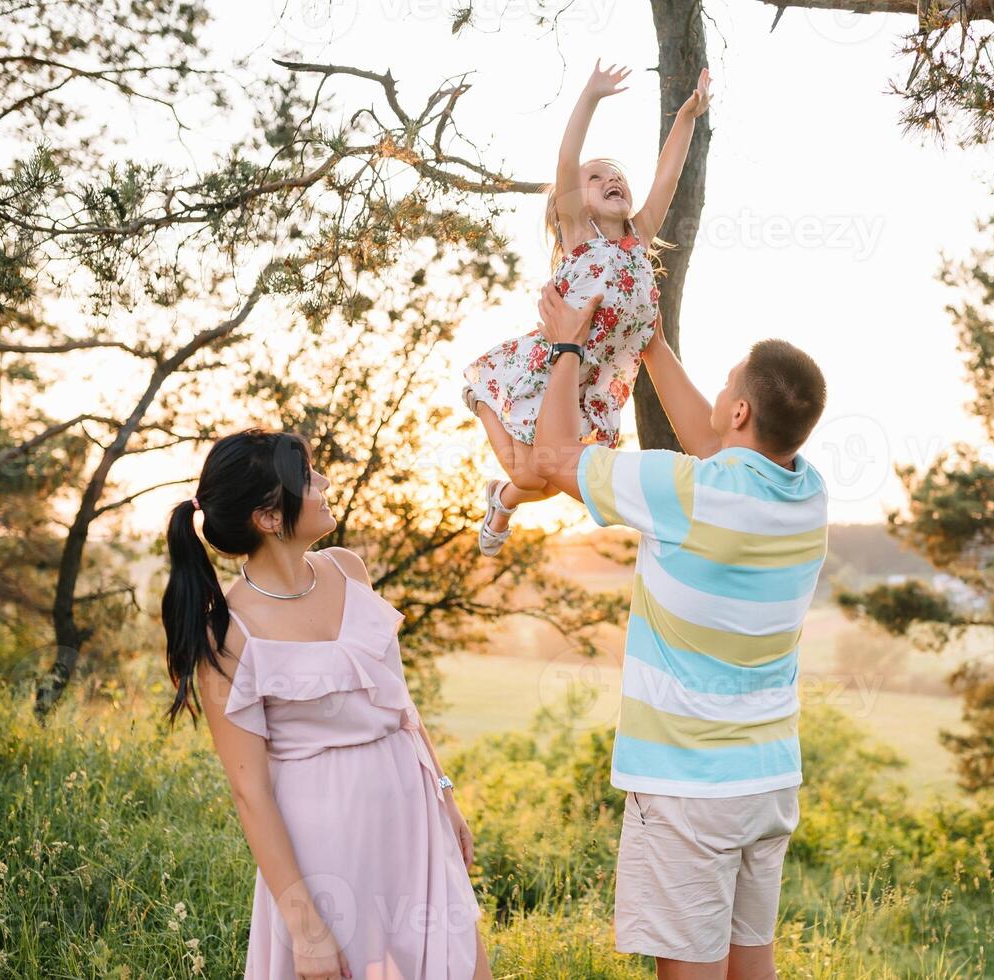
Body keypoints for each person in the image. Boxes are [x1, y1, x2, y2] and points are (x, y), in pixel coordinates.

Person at [528, 287, 830, 979]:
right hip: (767, 780)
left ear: (741, 411)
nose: (719, 392)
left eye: (726, 383)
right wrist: (653, 346)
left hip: (691, 786)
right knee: (751, 963)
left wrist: (568, 345)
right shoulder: (805, 494)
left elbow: (551, 456)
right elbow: (718, 445)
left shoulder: (686, 492)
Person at [161, 429, 488, 980]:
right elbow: (250, 791)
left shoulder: (347, 569)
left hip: (412, 817)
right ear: (268, 517)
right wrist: (305, 927)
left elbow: (399, 703)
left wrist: (445, 796)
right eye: (308, 477)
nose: (325, 481)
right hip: (326, 846)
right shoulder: (229, 635)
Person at [460, 58, 712, 556]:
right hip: (553, 369)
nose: (611, 180)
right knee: (530, 472)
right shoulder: (579, 235)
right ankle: (484, 399)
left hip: (595, 384)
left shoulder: (639, 237)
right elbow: (567, 155)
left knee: (551, 480)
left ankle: (500, 500)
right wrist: (591, 96)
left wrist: (688, 117)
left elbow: (668, 175)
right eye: (596, 178)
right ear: (572, 201)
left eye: (617, 177)